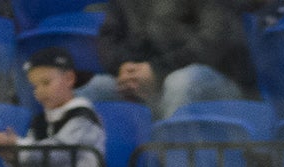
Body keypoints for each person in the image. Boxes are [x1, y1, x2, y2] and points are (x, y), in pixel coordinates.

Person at [84, 0, 254, 119]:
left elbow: (214, 41)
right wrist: (126, 68)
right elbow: (108, 38)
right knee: (94, 89)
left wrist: (157, 71)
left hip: (220, 80)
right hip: (148, 80)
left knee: (180, 83)